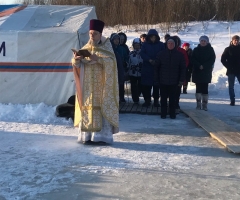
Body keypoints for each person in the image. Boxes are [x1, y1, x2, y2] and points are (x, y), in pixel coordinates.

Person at [71, 19, 119, 144]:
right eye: (90, 33)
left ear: (100, 34)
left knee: (100, 109)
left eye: (95, 33)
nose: (92, 35)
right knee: (87, 109)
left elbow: (112, 64)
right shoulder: (85, 48)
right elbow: (77, 66)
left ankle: (101, 138)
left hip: (101, 87)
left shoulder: (107, 48)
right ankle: (87, 137)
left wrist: (98, 59)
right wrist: (76, 60)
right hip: (87, 87)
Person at [154, 37, 186, 119]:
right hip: (163, 81)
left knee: (173, 99)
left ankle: (172, 114)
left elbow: (183, 68)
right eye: (169, 43)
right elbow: (156, 67)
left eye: (172, 43)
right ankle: (163, 114)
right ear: (166, 44)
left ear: (175, 45)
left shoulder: (179, 55)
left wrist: (181, 80)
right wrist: (157, 79)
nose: (170, 45)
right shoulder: (161, 54)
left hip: (174, 81)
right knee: (163, 99)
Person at [140, 29, 165, 107]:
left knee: (156, 86)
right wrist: (149, 60)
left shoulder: (161, 45)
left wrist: (157, 61)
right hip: (147, 67)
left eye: (154, 37)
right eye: (151, 37)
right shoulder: (145, 44)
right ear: (149, 37)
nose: (153, 38)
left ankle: (156, 101)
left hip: (157, 67)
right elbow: (142, 53)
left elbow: (163, 53)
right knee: (146, 86)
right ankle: (147, 100)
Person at [192, 35, 216, 111]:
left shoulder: (210, 49)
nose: (203, 42)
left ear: (207, 42)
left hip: (206, 71)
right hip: (197, 71)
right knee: (198, 88)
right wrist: (199, 65)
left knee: (205, 88)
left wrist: (204, 66)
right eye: (202, 41)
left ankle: (205, 105)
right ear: (200, 41)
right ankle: (198, 104)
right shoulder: (196, 49)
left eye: (204, 41)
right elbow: (192, 59)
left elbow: (212, 59)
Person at [221, 35, 240, 106]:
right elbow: (223, 59)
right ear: (232, 41)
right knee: (231, 86)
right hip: (231, 70)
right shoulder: (228, 49)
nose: (236, 41)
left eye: (237, 40)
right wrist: (228, 66)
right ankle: (232, 100)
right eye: (235, 40)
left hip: (239, 70)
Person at [173, 36, 189, 114]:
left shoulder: (182, 51)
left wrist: (182, 68)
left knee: (178, 89)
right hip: (169, 73)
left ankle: (176, 103)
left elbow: (186, 61)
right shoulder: (168, 50)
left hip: (179, 73)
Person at [110, 33, 126, 103]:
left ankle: (121, 98)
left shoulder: (121, 48)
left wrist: (126, 63)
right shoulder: (110, 48)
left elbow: (126, 56)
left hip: (121, 68)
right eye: (115, 39)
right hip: (113, 68)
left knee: (121, 82)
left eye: (118, 39)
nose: (116, 41)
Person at [128, 38, 143, 103]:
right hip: (133, 73)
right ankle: (135, 99)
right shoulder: (131, 54)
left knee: (140, 86)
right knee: (133, 86)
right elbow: (128, 62)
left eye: (138, 45)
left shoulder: (142, 53)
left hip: (140, 73)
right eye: (135, 45)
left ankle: (138, 94)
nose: (137, 46)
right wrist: (130, 67)